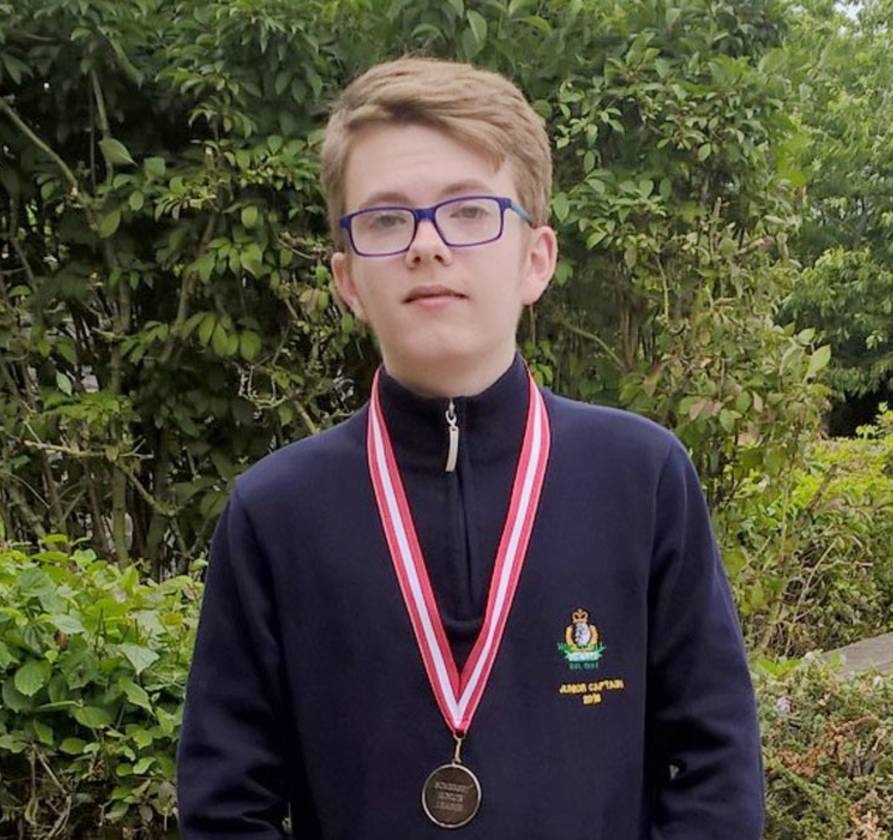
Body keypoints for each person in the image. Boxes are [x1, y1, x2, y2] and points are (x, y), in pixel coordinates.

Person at [176, 56, 765, 839]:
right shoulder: (276, 511)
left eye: (467, 211)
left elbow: (715, 764)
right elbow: (226, 804)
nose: (427, 246)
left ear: (536, 259)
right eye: (386, 219)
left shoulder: (642, 477)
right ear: (348, 280)